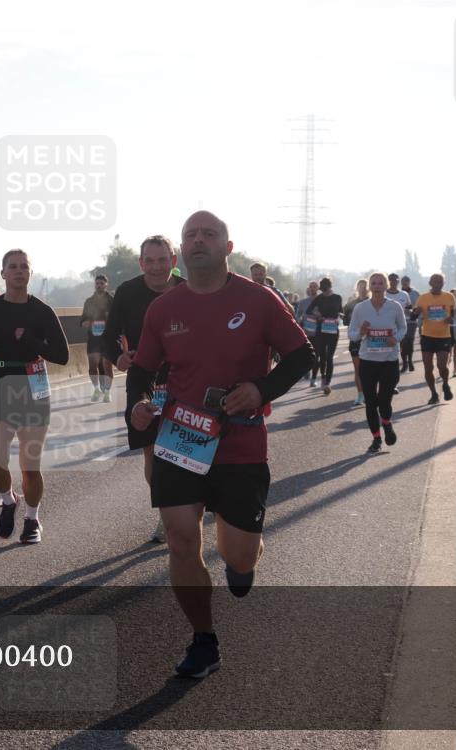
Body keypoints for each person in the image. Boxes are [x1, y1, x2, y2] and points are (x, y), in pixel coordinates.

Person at [129, 211, 315, 679]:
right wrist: (138, 403)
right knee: (181, 539)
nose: (198, 241)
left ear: (227, 248)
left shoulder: (259, 299)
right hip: (180, 437)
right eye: (191, 234)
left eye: (209, 234)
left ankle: (242, 561)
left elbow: (301, 355)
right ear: (181, 252)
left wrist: (261, 390)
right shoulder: (164, 309)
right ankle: (203, 641)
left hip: (240, 444)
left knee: (238, 555)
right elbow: (142, 369)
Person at [0, 249, 69, 544]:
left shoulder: (42, 311)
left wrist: (29, 340)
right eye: (12, 267)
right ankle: (7, 500)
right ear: (2, 273)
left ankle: (32, 519)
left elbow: (63, 355)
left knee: (30, 464)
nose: (18, 271)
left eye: (23, 267)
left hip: (32, 385)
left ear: (30, 273)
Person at [102, 235, 183, 544]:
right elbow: (109, 336)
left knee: (184, 449)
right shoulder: (127, 292)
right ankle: (166, 517)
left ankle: (193, 504)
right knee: (154, 453)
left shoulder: (188, 290)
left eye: (163, 260)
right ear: (141, 263)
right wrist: (118, 357)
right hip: (143, 378)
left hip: (183, 379)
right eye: (150, 261)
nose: (157, 267)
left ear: (173, 261)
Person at [348, 273, 406, 453]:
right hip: (368, 361)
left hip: (389, 360)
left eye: (381, 283)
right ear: (369, 287)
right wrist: (362, 332)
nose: (377, 286)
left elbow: (403, 327)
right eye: (374, 283)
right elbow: (352, 334)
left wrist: (395, 338)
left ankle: (387, 423)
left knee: (384, 400)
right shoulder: (360, 308)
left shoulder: (395, 306)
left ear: (386, 285)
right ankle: (376, 439)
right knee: (371, 403)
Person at [411, 273, 456, 405]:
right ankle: (433, 394)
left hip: (444, 336)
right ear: (430, 283)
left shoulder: (449, 296)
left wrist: (451, 318)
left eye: (440, 281)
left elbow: (454, 312)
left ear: (443, 283)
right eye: (435, 281)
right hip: (427, 336)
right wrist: (416, 313)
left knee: (442, 365)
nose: (437, 283)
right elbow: (415, 314)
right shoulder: (423, 298)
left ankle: (446, 384)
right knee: (428, 367)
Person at [80, 275, 114, 402]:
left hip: (107, 339)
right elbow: (83, 319)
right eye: (97, 283)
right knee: (92, 366)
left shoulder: (112, 301)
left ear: (106, 285)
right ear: (95, 285)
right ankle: (96, 389)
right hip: (93, 338)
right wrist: (85, 323)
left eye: (101, 283)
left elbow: (117, 319)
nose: (99, 285)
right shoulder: (89, 301)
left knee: (107, 366)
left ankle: (108, 392)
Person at [307, 277, 344, 395]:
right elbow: (309, 310)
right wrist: (317, 314)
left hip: (333, 329)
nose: (324, 291)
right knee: (322, 355)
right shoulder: (319, 298)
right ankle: (323, 376)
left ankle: (327, 382)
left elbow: (341, 312)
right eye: (322, 289)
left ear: (330, 286)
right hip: (321, 329)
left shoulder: (337, 297)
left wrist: (338, 318)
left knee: (329, 357)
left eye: (326, 288)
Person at [343, 279, 370, 405]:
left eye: (365, 287)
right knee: (358, 369)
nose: (362, 289)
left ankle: (371, 393)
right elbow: (345, 322)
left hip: (371, 340)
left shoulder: (372, 303)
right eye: (360, 287)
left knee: (372, 369)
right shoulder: (351, 304)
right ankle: (360, 395)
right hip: (356, 339)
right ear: (357, 288)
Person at [385, 274, 412, 394]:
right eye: (390, 280)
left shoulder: (404, 295)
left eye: (395, 280)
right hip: (385, 329)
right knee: (386, 356)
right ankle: (386, 383)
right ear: (388, 281)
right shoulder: (384, 294)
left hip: (400, 328)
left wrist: (408, 311)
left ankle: (393, 385)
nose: (393, 282)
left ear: (398, 281)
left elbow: (410, 309)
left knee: (397, 354)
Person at [400, 275, 420, 372]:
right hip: (400, 322)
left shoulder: (415, 293)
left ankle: (410, 361)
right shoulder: (398, 293)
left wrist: (415, 313)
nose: (405, 283)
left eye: (407, 281)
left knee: (409, 341)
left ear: (409, 282)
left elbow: (420, 306)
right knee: (402, 343)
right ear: (401, 282)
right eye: (403, 281)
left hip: (412, 321)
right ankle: (404, 363)